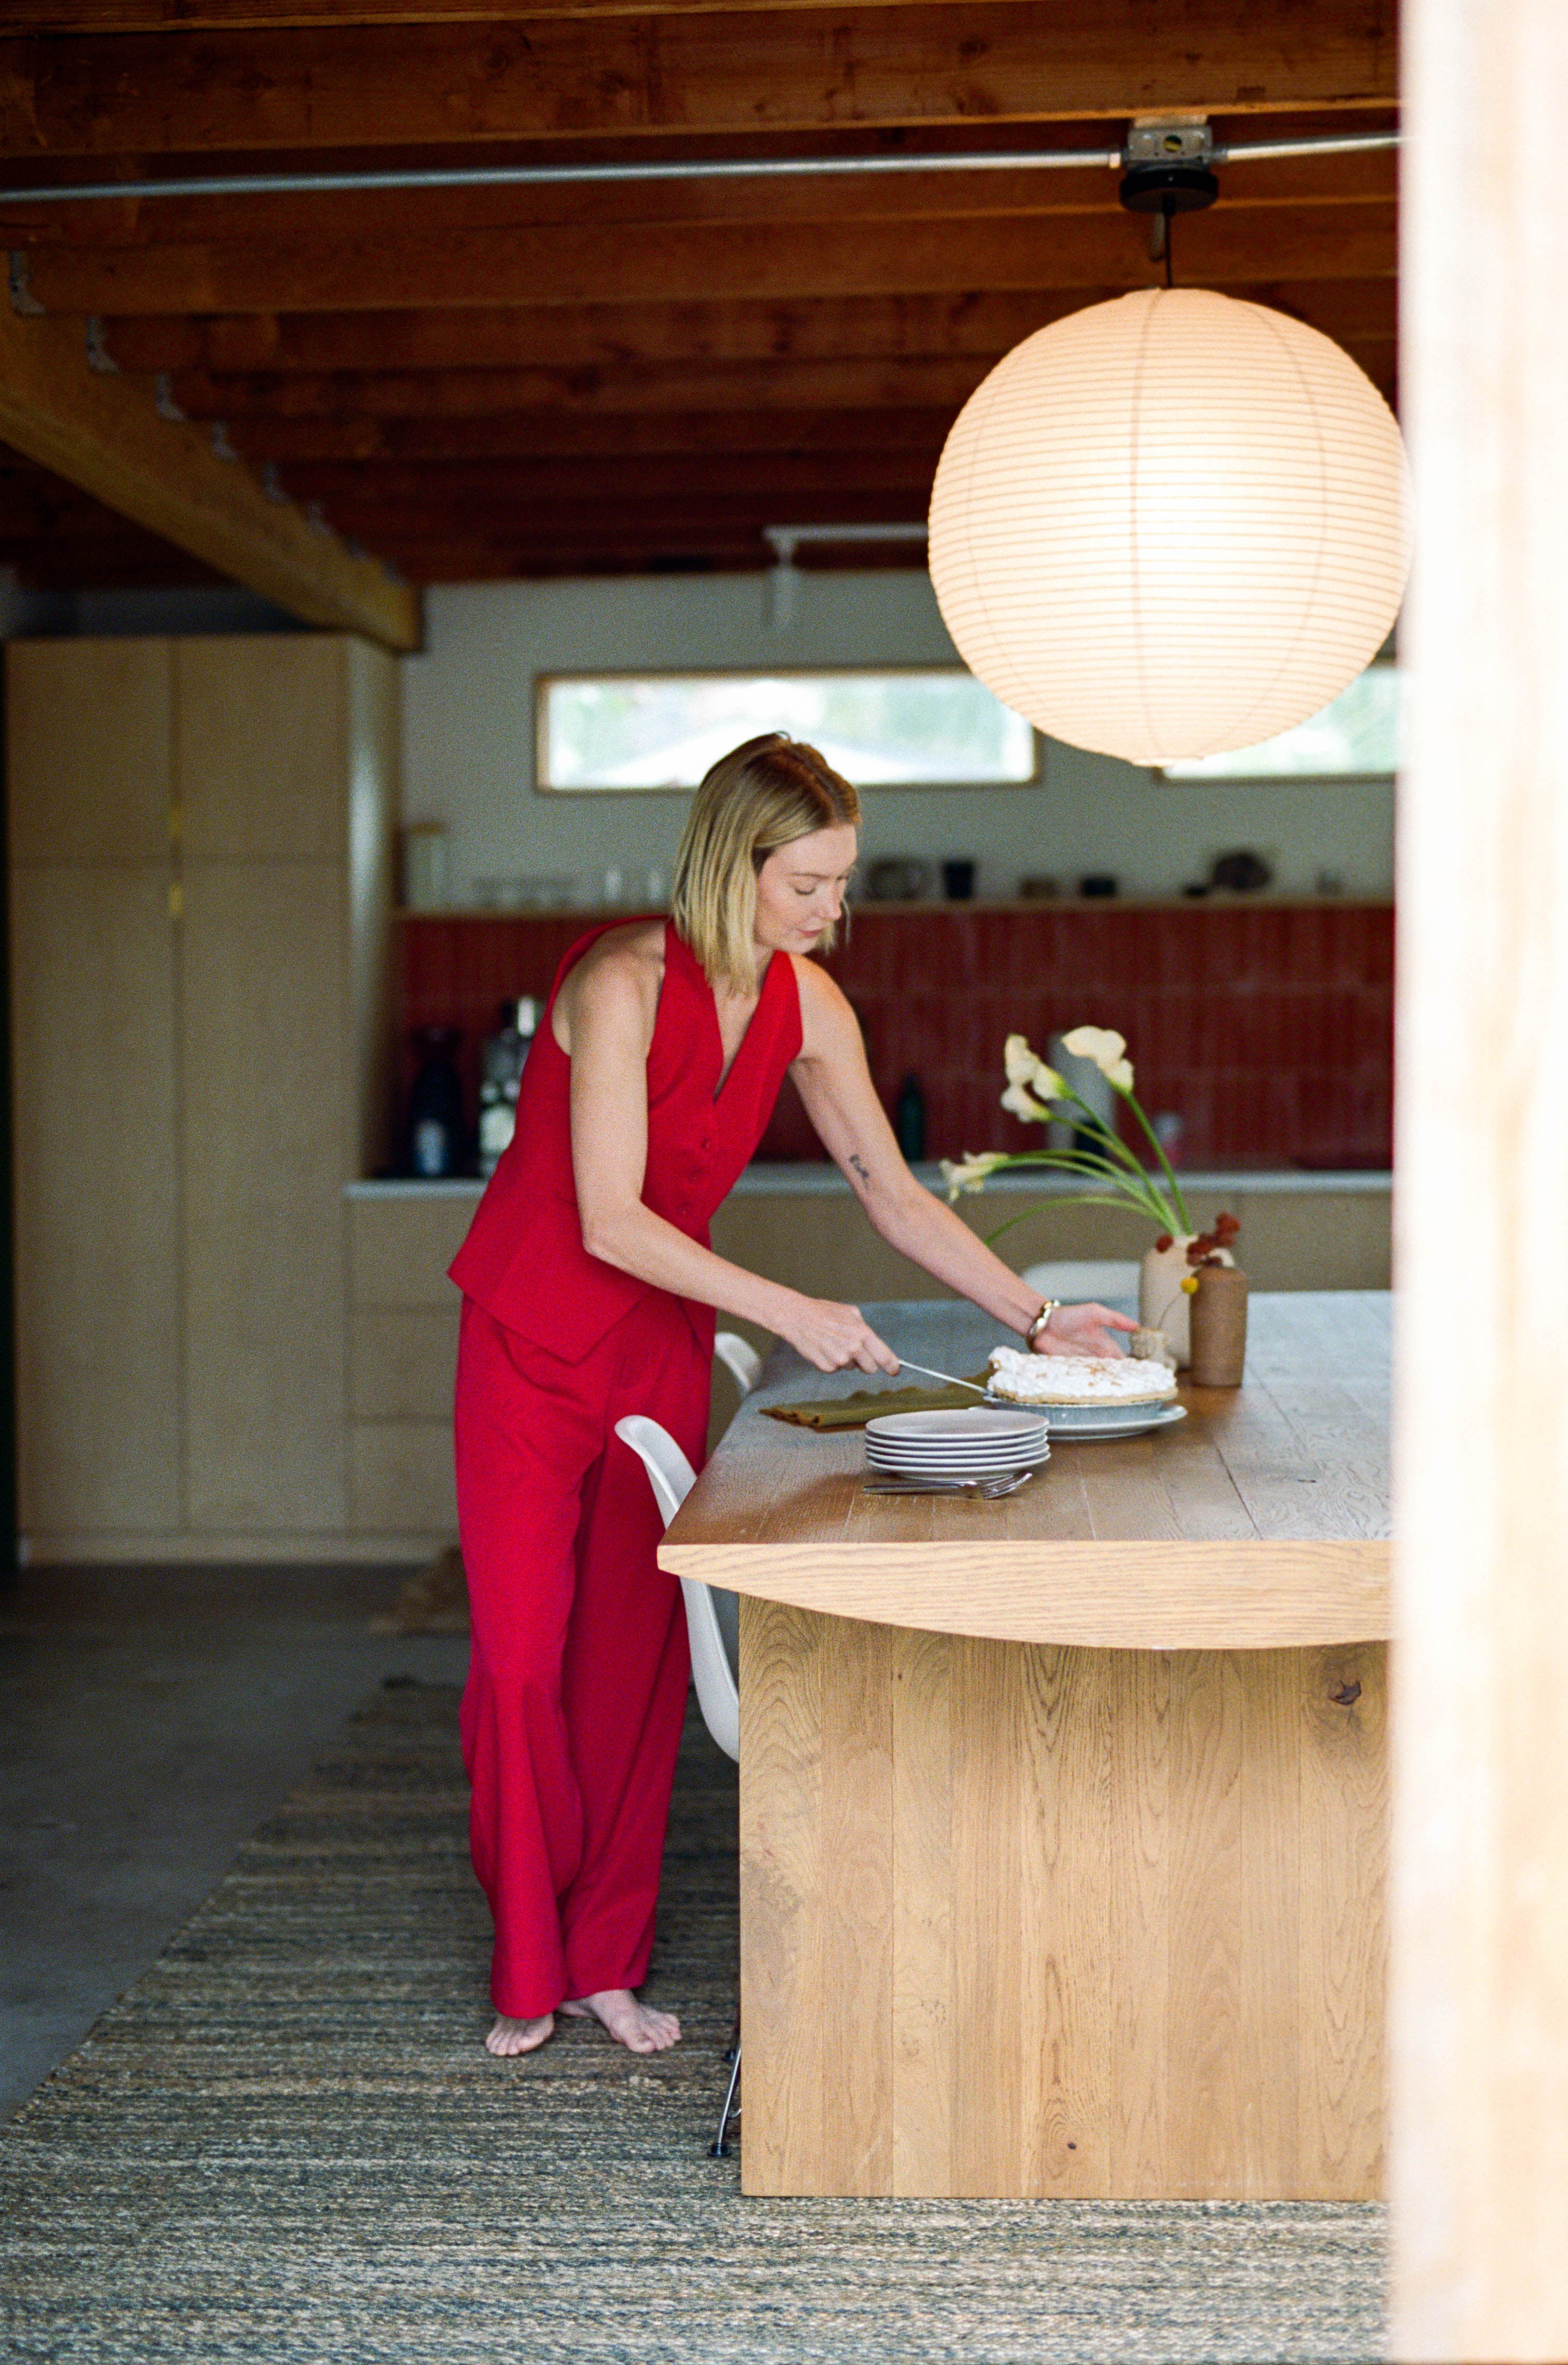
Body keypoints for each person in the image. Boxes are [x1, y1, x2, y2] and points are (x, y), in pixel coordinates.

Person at [448, 733, 1135, 2061]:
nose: (834, 911)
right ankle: (524, 1959)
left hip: (655, 1351)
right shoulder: (617, 985)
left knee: (630, 1669)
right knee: (525, 1663)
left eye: (841, 882)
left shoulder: (810, 1005)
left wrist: (1044, 1316)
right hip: (529, 1344)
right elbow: (606, 1219)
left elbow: (890, 1191)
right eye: (810, 883)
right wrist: (795, 1315)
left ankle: (603, 1963)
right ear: (736, 863)